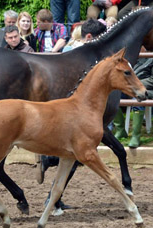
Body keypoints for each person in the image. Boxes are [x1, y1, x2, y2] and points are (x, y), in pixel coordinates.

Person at [38, 18, 107, 216]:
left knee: (72, 156)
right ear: (89, 37)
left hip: (70, 108)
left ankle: (54, 197)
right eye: (100, 38)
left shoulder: (75, 51)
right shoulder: (83, 57)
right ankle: (52, 187)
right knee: (75, 153)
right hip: (71, 111)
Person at [114, 46, 153, 148]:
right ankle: (120, 129)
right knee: (112, 96)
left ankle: (136, 135)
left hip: (149, 90)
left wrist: (136, 85)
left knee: (138, 97)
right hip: (130, 88)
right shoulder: (129, 58)